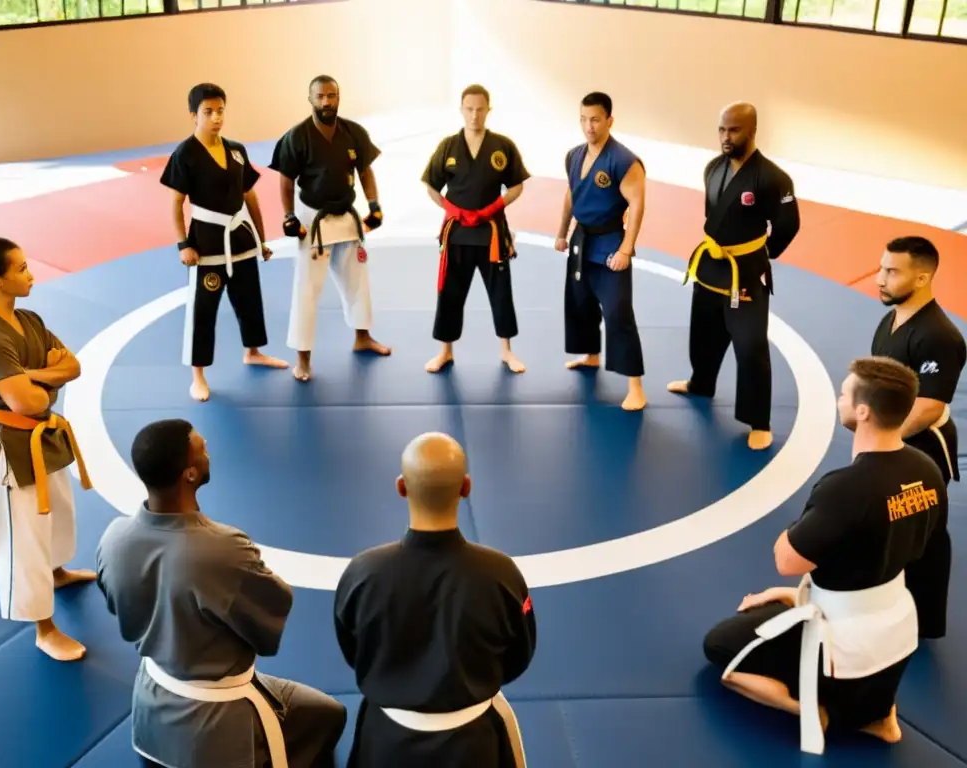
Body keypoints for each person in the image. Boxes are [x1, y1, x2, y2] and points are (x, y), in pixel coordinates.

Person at [702, 356, 946, 755]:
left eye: (843, 395)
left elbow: (788, 561)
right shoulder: (927, 469)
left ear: (863, 411)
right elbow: (911, 543)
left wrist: (795, 528)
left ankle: (813, 710)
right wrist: (789, 596)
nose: (838, 400)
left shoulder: (845, 487)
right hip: (896, 637)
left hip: (842, 647)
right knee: (775, 608)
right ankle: (881, 717)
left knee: (721, 649)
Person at [95, 418, 347, 768]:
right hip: (218, 716)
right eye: (202, 448)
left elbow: (119, 606)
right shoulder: (224, 548)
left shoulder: (113, 538)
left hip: (152, 698)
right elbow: (270, 620)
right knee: (330, 715)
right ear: (190, 475)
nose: (208, 449)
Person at [334, 432, 536, 767]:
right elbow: (518, 656)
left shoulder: (363, 573)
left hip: (384, 742)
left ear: (401, 487)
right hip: (474, 744)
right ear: (466, 487)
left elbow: (354, 651)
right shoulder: (501, 574)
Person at [0, 237, 95, 663]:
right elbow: (28, 402)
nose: (31, 275)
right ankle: (44, 628)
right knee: (24, 538)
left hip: (43, 437)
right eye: (20, 269)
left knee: (56, 515)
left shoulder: (28, 319)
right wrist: (45, 378)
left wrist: (31, 373)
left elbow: (74, 364)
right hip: (8, 447)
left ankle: (56, 572)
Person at [667, 102, 801, 449]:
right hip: (712, 263)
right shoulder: (713, 167)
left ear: (752, 131)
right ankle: (701, 383)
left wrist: (762, 254)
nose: (727, 137)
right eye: (722, 130)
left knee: (750, 344)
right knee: (703, 332)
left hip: (745, 270)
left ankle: (759, 420)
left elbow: (788, 225)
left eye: (735, 130)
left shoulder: (772, 178)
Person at [159, 82, 287, 402]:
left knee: (249, 300)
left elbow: (250, 194)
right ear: (194, 116)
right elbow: (175, 205)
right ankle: (198, 375)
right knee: (204, 310)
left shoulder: (235, 149)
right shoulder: (185, 154)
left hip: (240, 237)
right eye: (208, 112)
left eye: (220, 111)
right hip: (206, 243)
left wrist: (260, 237)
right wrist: (183, 245)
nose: (216, 117)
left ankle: (253, 351)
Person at [869, 235, 965, 640]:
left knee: (924, 531)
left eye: (892, 272)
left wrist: (882, 440)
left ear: (922, 277)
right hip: (891, 439)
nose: (880, 279)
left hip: (922, 448)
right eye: (881, 267)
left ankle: (926, 621)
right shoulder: (891, 317)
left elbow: (926, 407)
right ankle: (887, 596)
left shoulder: (940, 336)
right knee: (888, 524)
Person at [268, 75, 391, 382]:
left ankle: (362, 336)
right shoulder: (296, 137)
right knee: (307, 289)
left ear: (339, 97)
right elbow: (286, 181)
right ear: (311, 99)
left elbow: (365, 171)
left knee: (357, 280)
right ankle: (303, 359)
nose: (326, 101)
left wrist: (374, 205)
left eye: (331, 96)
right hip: (314, 219)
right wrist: (289, 216)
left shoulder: (353, 132)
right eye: (320, 96)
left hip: (347, 216)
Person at [421, 84, 530, 374]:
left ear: (488, 110)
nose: (474, 115)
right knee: (450, 292)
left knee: (501, 292)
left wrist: (495, 206)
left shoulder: (502, 146)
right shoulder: (448, 146)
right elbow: (431, 186)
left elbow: (517, 185)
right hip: (457, 233)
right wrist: (451, 209)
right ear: (461, 110)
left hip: (491, 232)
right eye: (469, 109)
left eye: (480, 109)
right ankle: (445, 351)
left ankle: (506, 351)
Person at [554, 91, 648, 410]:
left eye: (595, 119)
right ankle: (591, 356)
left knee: (618, 312)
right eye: (583, 119)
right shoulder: (574, 156)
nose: (588, 126)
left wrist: (626, 248)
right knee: (581, 303)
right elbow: (571, 195)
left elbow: (636, 205)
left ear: (609, 120)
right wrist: (561, 232)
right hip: (582, 240)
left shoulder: (623, 160)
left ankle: (635, 385)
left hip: (609, 243)